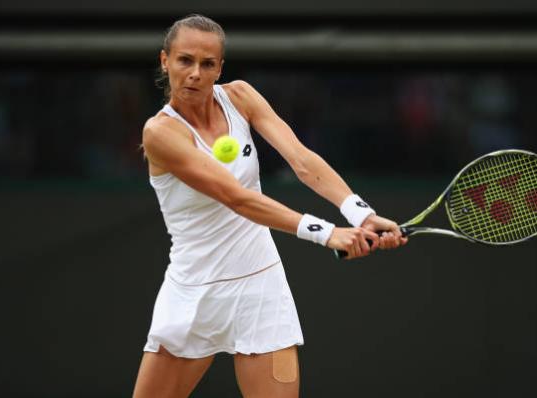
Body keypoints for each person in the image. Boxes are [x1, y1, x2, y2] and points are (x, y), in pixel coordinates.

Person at [133, 14, 407, 398]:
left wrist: (360, 213)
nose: (196, 73)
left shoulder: (241, 96)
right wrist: (328, 233)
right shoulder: (160, 132)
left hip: (260, 285)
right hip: (193, 291)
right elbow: (236, 198)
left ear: (220, 68)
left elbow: (302, 160)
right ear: (165, 61)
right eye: (185, 60)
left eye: (207, 63)